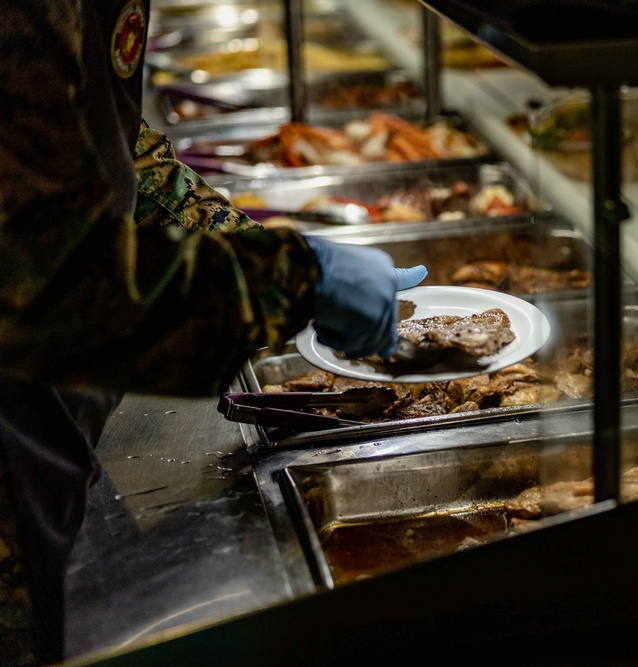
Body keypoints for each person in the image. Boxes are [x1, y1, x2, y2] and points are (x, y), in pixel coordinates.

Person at [0, 2, 425, 664]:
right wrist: (294, 281)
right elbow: (49, 283)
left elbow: (112, 144)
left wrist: (253, 245)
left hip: (52, 424)